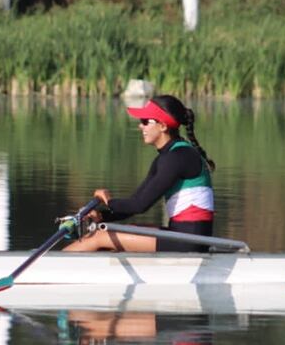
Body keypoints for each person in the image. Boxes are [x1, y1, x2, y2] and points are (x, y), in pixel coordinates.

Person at [64, 95, 216, 252]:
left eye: (145, 121)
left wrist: (108, 201)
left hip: (189, 241)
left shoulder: (177, 157)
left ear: (163, 126)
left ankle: (48, 269)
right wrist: (102, 216)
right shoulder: (168, 156)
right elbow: (134, 202)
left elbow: (140, 206)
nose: (140, 127)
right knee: (119, 231)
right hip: (185, 236)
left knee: (99, 237)